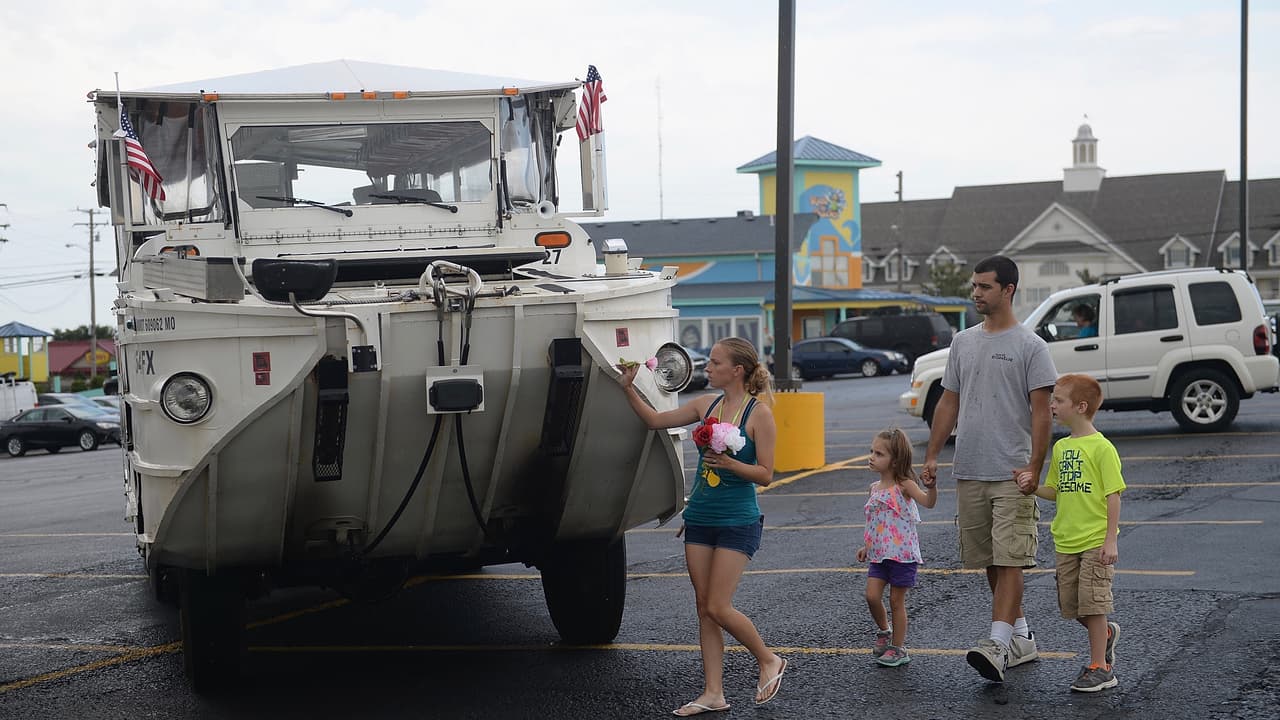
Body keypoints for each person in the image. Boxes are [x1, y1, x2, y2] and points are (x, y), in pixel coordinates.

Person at [616, 337, 787, 716]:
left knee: (718, 605)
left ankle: (768, 659)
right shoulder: (705, 405)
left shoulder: (759, 414)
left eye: (714, 362)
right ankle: (713, 693)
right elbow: (655, 421)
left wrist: (731, 465)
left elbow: (766, 475)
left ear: (736, 371)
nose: (706, 368)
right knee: (703, 608)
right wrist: (628, 388)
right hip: (700, 521)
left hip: (737, 521)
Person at [920, 254, 1058, 683]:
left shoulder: (1031, 347)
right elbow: (948, 401)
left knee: (1012, 557)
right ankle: (1021, 636)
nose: (976, 293)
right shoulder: (963, 342)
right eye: (974, 285)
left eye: (984, 286)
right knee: (991, 562)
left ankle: (997, 644)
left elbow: (1042, 414)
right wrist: (932, 453)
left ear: (1008, 290)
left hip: (1013, 471)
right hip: (971, 468)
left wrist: (1035, 466)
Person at [1017, 373, 1125, 692]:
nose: (1051, 405)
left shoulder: (1102, 448)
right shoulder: (1062, 447)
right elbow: (1057, 489)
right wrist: (1033, 487)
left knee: (1093, 605)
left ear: (1080, 406)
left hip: (1094, 541)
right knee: (1073, 605)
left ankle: (1100, 668)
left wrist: (1110, 540)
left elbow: (1113, 495)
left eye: (1058, 401)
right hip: (1066, 541)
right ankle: (1104, 635)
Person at [855, 428, 938, 667]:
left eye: (879, 453)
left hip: (902, 556)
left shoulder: (905, 486)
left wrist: (931, 487)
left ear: (896, 460)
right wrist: (866, 546)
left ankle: (899, 648)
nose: (872, 456)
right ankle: (884, 631)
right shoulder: (874, 488)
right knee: (871, 596)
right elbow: (875, 522)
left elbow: (928, 503)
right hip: (879, 555)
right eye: (872, 451)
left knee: (896, 601)